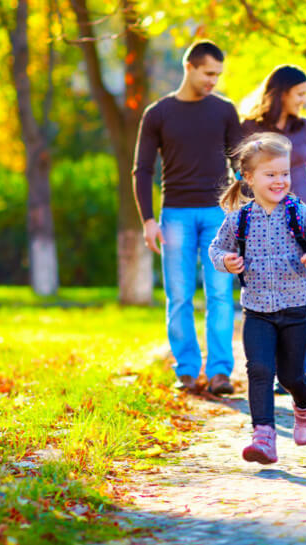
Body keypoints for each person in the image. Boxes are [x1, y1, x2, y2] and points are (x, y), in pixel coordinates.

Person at [209, 133, 306, 464]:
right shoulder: (238, 219)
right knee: (258, 369)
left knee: (291, 376)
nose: (280, 180)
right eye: (271, 174)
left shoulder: (299, 213)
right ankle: (264, 436)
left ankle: (305, 403)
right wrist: (226, 261)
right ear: (249, 178)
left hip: (295, 309)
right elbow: (216, 248)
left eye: (284, 173)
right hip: (257, 311)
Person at [132, 40, 241, 396]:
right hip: (174, 215)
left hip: (218, 216)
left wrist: (242, 210)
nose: (214, 81)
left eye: (218, 75)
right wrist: (148, 219)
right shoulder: (158, 113)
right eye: (209, 73)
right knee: (178, 295)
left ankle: (221, 372)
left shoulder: (224, 111)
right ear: (190, 67)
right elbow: (143, 169)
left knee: (221, 294)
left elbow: (239, 163)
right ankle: (188, 370)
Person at [240, 65, 306, 393]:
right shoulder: (251, 128)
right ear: (281, 92)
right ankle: (271, 371)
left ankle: (300, 373)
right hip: (264, 222)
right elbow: (241, 175)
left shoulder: (305, 128)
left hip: (303, 222)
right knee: (267, 298)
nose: (304, 100)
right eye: (299, 93)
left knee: (300, 299)